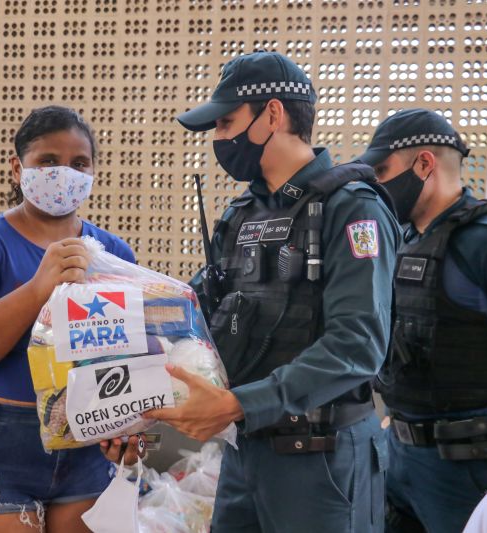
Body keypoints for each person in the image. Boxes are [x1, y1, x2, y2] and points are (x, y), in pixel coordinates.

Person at [144, 51, 399, 532]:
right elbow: (197, 310)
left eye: (226, 123)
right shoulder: (241, 214)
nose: (220, 139)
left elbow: (358, 343)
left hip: (321, 461)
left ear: (274, 114)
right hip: (246, 453)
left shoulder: (353, 209)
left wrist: (242, 404)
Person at [0, 106, 142, 532]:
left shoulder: (114, 255)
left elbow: (123, 363)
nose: (64, 173)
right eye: (48, 161)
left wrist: (129, 428)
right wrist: (37, 287)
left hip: (86, 442)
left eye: (79, 164)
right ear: (18, 168)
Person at [356, 108, 487, 533]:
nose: (376, 183)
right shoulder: (406, 241)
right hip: (400, 459)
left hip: (471, 467)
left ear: (424, 164)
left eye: (382, 170)